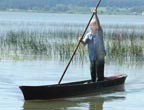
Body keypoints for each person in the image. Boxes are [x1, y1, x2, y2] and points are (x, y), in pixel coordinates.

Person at [80, 10, 106, 82]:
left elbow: (99, 25)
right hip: (92, 57)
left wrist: (96, 15)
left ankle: (100, 82)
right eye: (91, 25)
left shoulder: (99, 33)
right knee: (92, 71)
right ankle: (93, 82)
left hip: (100, 56)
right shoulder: (88, 35)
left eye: (94, 25)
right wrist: (80, 40)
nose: (92, 26)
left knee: (99, 73)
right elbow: (84, 43)